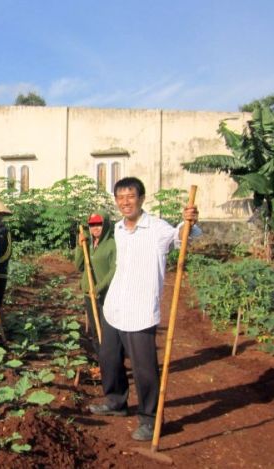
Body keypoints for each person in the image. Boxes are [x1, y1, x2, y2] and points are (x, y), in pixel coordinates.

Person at [88, 177, 200, 442]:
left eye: (130, 196)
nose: (125, 202)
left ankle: (149, 419)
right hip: (115, 307)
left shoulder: (157, 228)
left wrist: (190, 222)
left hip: (140, 311)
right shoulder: (116, 228)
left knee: (144, 370)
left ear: (141, 198)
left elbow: (181, 237)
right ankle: (116, 402)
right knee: (109, 359)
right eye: (120, 197)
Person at [72, 212, 116, 355]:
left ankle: (111, 363)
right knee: (95, 332)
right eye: (92, 225)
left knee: (107, 332)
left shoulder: (112, 245)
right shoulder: (88, 244)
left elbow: (114, 270)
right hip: (89, 294)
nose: (95, 228)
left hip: (104, 295)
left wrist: (99, 288)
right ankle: (101, 362)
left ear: (106, 225)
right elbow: (79, 266)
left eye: (99, 224)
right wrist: (80, 246)